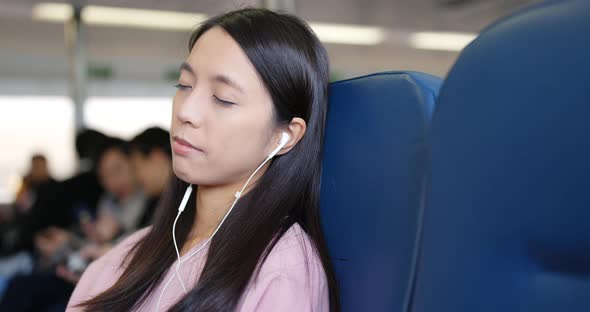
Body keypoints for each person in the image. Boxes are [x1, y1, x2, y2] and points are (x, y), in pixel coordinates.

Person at [67, 8, 339, 312]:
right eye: (184, 86)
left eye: (223, 98)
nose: (186, 112)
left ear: (284, 137)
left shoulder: (280, 271)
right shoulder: (137, 250)